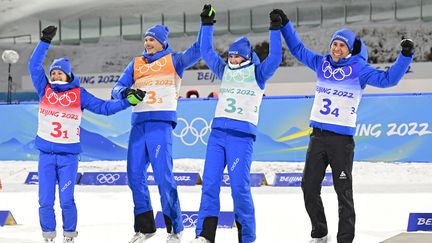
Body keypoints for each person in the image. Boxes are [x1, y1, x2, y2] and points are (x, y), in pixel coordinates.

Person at [271, 9, 414, 243]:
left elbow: (389, 80)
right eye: (334, 44)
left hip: (341, 142)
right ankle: (319, 233)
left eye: (342, 46)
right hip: (317, 137)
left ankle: (345, 239)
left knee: (343, 193)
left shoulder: (360, 70)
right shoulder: (321, 63)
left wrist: (405, 56)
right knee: (308, 187)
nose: (337, 49)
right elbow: (297, 49)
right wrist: (285, 24)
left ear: (349, 49)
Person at [29, 26, 144, 243]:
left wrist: (127, 102)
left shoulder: (79, 94)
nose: (54, 75)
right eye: (52, 72)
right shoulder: (44, 89)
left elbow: (105, 108)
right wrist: (44, 41)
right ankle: (48, 236)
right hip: (45, 156)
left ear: (68, 74)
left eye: (59, 72)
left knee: (66, 200)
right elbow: (33, 65)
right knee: (44, 200)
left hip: (68, 158)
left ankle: (69, 236)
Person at [190, 5, 282, 243]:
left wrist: (275, 28)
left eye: (236, 55)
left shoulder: (258, 73)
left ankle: (247, 237)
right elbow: (206, 50)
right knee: (209, 184)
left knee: (239, 189)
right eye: (230, 55)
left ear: (247, 56)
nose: (232, 59)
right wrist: (207, 24)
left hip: (241, 138)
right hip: (217, 136)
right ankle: (204, 235)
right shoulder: (224, 70)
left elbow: (275, 58)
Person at [111, 20, 202, 243]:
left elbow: (200, 49)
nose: (147, 42)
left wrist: (206, 24)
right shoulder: (136, 64)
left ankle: (175, 228)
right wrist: (126, 92)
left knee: (163, 177)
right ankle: (145, 227)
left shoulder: (175, 60)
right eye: (146, 39)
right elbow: (116, 89)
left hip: (160, 125)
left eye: (152, 39)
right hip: (139, 125)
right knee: (135, 177)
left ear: (162, 43)